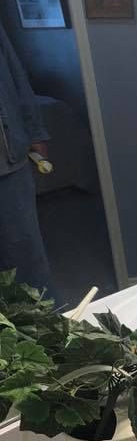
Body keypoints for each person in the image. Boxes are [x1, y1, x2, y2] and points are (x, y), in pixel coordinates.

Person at [0, 18, 54, 295]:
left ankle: (50, 331)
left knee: (28, 262)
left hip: (10, 162)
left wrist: (35, 132)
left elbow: (15, 76)